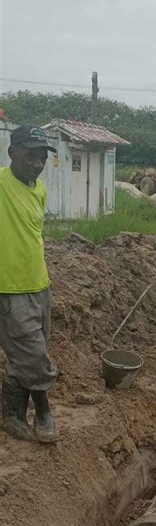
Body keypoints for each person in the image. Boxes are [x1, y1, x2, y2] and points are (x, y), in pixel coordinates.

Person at [0, 125, 58, 442]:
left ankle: (11, 415)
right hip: (9, 288)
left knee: (23, 353)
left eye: (42, 158)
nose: (37, 164)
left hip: (39, 284)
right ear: (12, 153)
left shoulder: (39, 190)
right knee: (33, 354)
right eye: (30, 156)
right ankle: (44, 412)